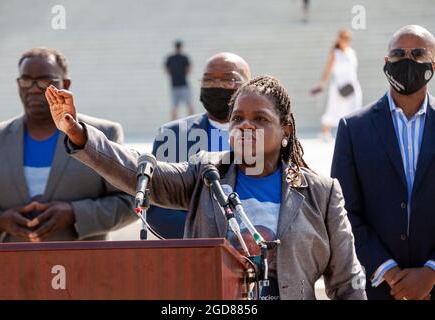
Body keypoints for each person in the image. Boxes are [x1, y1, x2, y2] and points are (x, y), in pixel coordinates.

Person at [45, 75, 366, 300]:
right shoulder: (205, 173)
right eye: (237, 119)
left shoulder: (321, 193)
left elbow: (348, 284)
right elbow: (141, 171)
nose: (245, 126)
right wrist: (80, 134)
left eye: (260, 119)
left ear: (286, 129)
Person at [0, 47, 135, 243]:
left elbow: (132, 202)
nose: (33, 87)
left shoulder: (104, 134)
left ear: (65, 84)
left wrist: (75, 214)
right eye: (26, 79)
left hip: (85, 267)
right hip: (15, 269)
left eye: (45, 80)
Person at [331, 25, 435, 300]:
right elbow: (343, 210)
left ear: (433, 64)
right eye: (399, 54)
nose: (408, 60)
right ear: (386, 63)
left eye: (418, 54)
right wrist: (387, 270)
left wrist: (431, 272)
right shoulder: (353, 128)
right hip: (376, 287)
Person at [148, 52, 251, 238]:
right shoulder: (172, 136)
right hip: (194, 254)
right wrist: (215, 237)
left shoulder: (265, 136)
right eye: (208, 80)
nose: (216, 86)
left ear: (249, 86)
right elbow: (159, 211)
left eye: (228, 80)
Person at [311, 29, 362, 141]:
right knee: (334, 109)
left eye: (348, 39)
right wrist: (322, 83)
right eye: (344, 39)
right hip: (338, 86)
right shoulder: (335, 53)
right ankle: (325, 132)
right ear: (339, 40)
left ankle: (353, 133)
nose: (346, 41)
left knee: (354, 109)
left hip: (352, 85)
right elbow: (328, 69)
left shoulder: (351, 52)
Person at [165, 40, 194, 120]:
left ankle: (172, 124)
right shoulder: (184, 58)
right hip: (184, 84)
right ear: (181, 47)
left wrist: (174, 75)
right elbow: (189, 70)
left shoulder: (170, 58)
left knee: (174, 106)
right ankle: (193, 123)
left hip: (174, 85)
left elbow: (167, 71)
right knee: (189, 105)